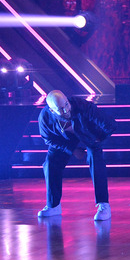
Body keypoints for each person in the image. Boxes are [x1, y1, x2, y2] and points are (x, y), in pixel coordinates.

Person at [37, 90, 117, 221]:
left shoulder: (83, 106)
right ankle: (53, 205)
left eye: (66, 104)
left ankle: (103, 205)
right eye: (60, 109)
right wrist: (72, 150)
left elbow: (110, 124)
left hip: (89, 136)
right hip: (64, 140)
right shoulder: (45, 117)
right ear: (52, 110)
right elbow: (48, 139)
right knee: (50, 163)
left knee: (96, 161)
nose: (66, 110)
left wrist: (99, 139)